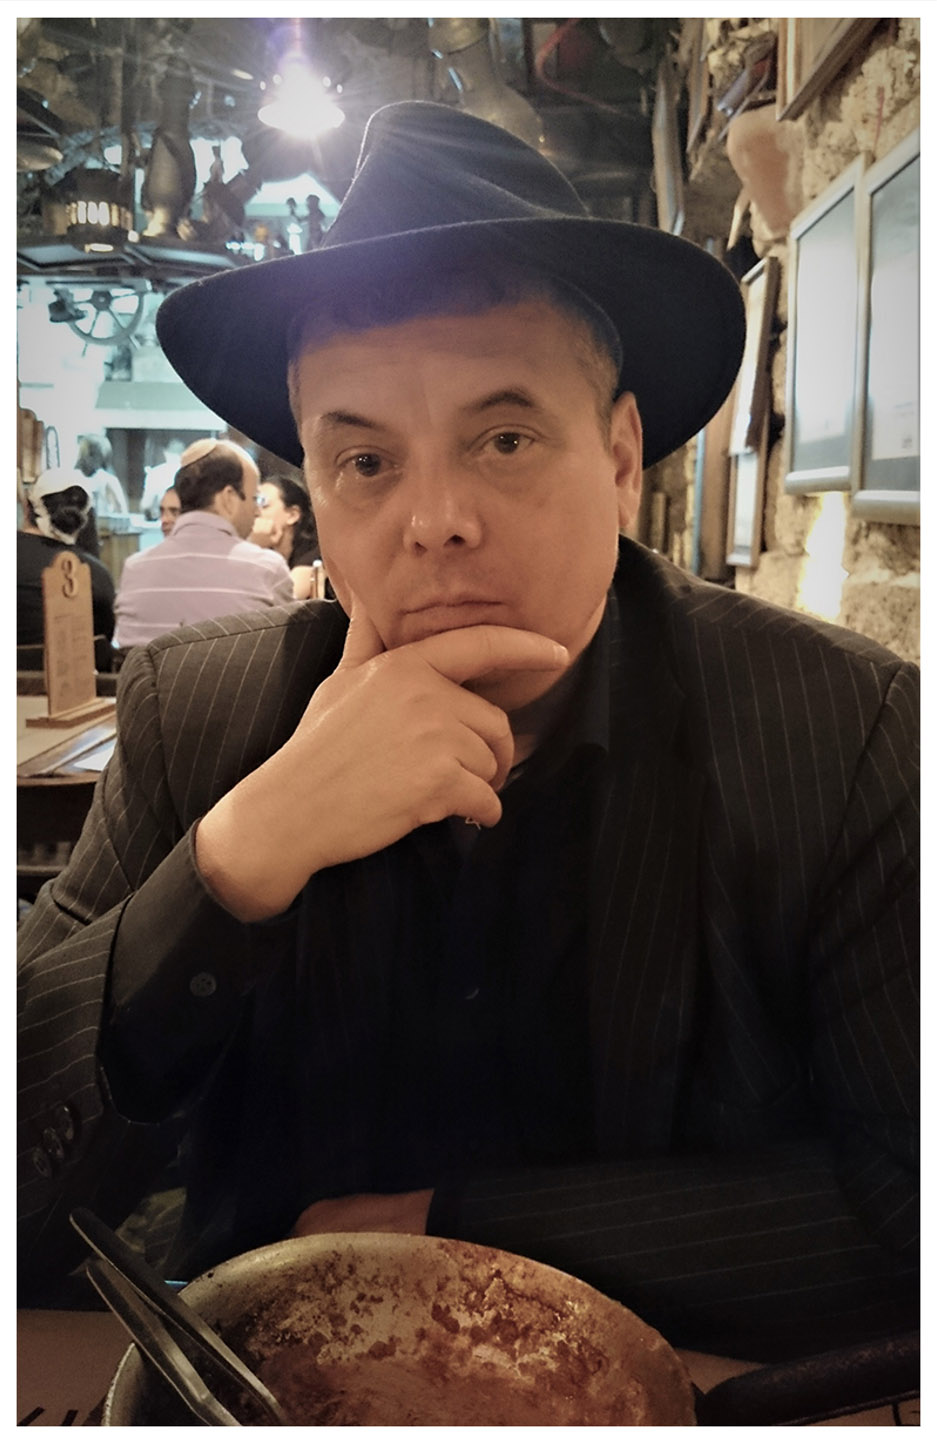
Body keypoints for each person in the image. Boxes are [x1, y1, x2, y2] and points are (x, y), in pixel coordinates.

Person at [18, 102, 917, 1364]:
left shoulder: (842, 733)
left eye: (503, 438)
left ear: (620, 459)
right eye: (365, 462)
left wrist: (453, 1232)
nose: (433, 520)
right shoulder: (199, 717)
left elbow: (904, 1204)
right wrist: (232, 867)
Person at [111, 438, 294, 649]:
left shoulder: (134, 569)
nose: (257, 511)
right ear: (228, 497)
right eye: (254, 499)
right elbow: (291, 654)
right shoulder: (267, 569)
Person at [17, 466, 116, 670]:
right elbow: (102, 641)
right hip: (69, 684)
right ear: (84, 518)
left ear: (27, 507)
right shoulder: (94, 574)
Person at [250, 473, 321, 598]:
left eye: (264, 505)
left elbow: (280, 602)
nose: (255, 512)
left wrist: (254, 548)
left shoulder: (313, 553)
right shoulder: (269, 555)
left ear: (292, 515)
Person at [75, 434, 129, 516]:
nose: (83, 458)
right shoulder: (75, 479)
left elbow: (122, 512)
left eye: (89, 454)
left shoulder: (107, 480)